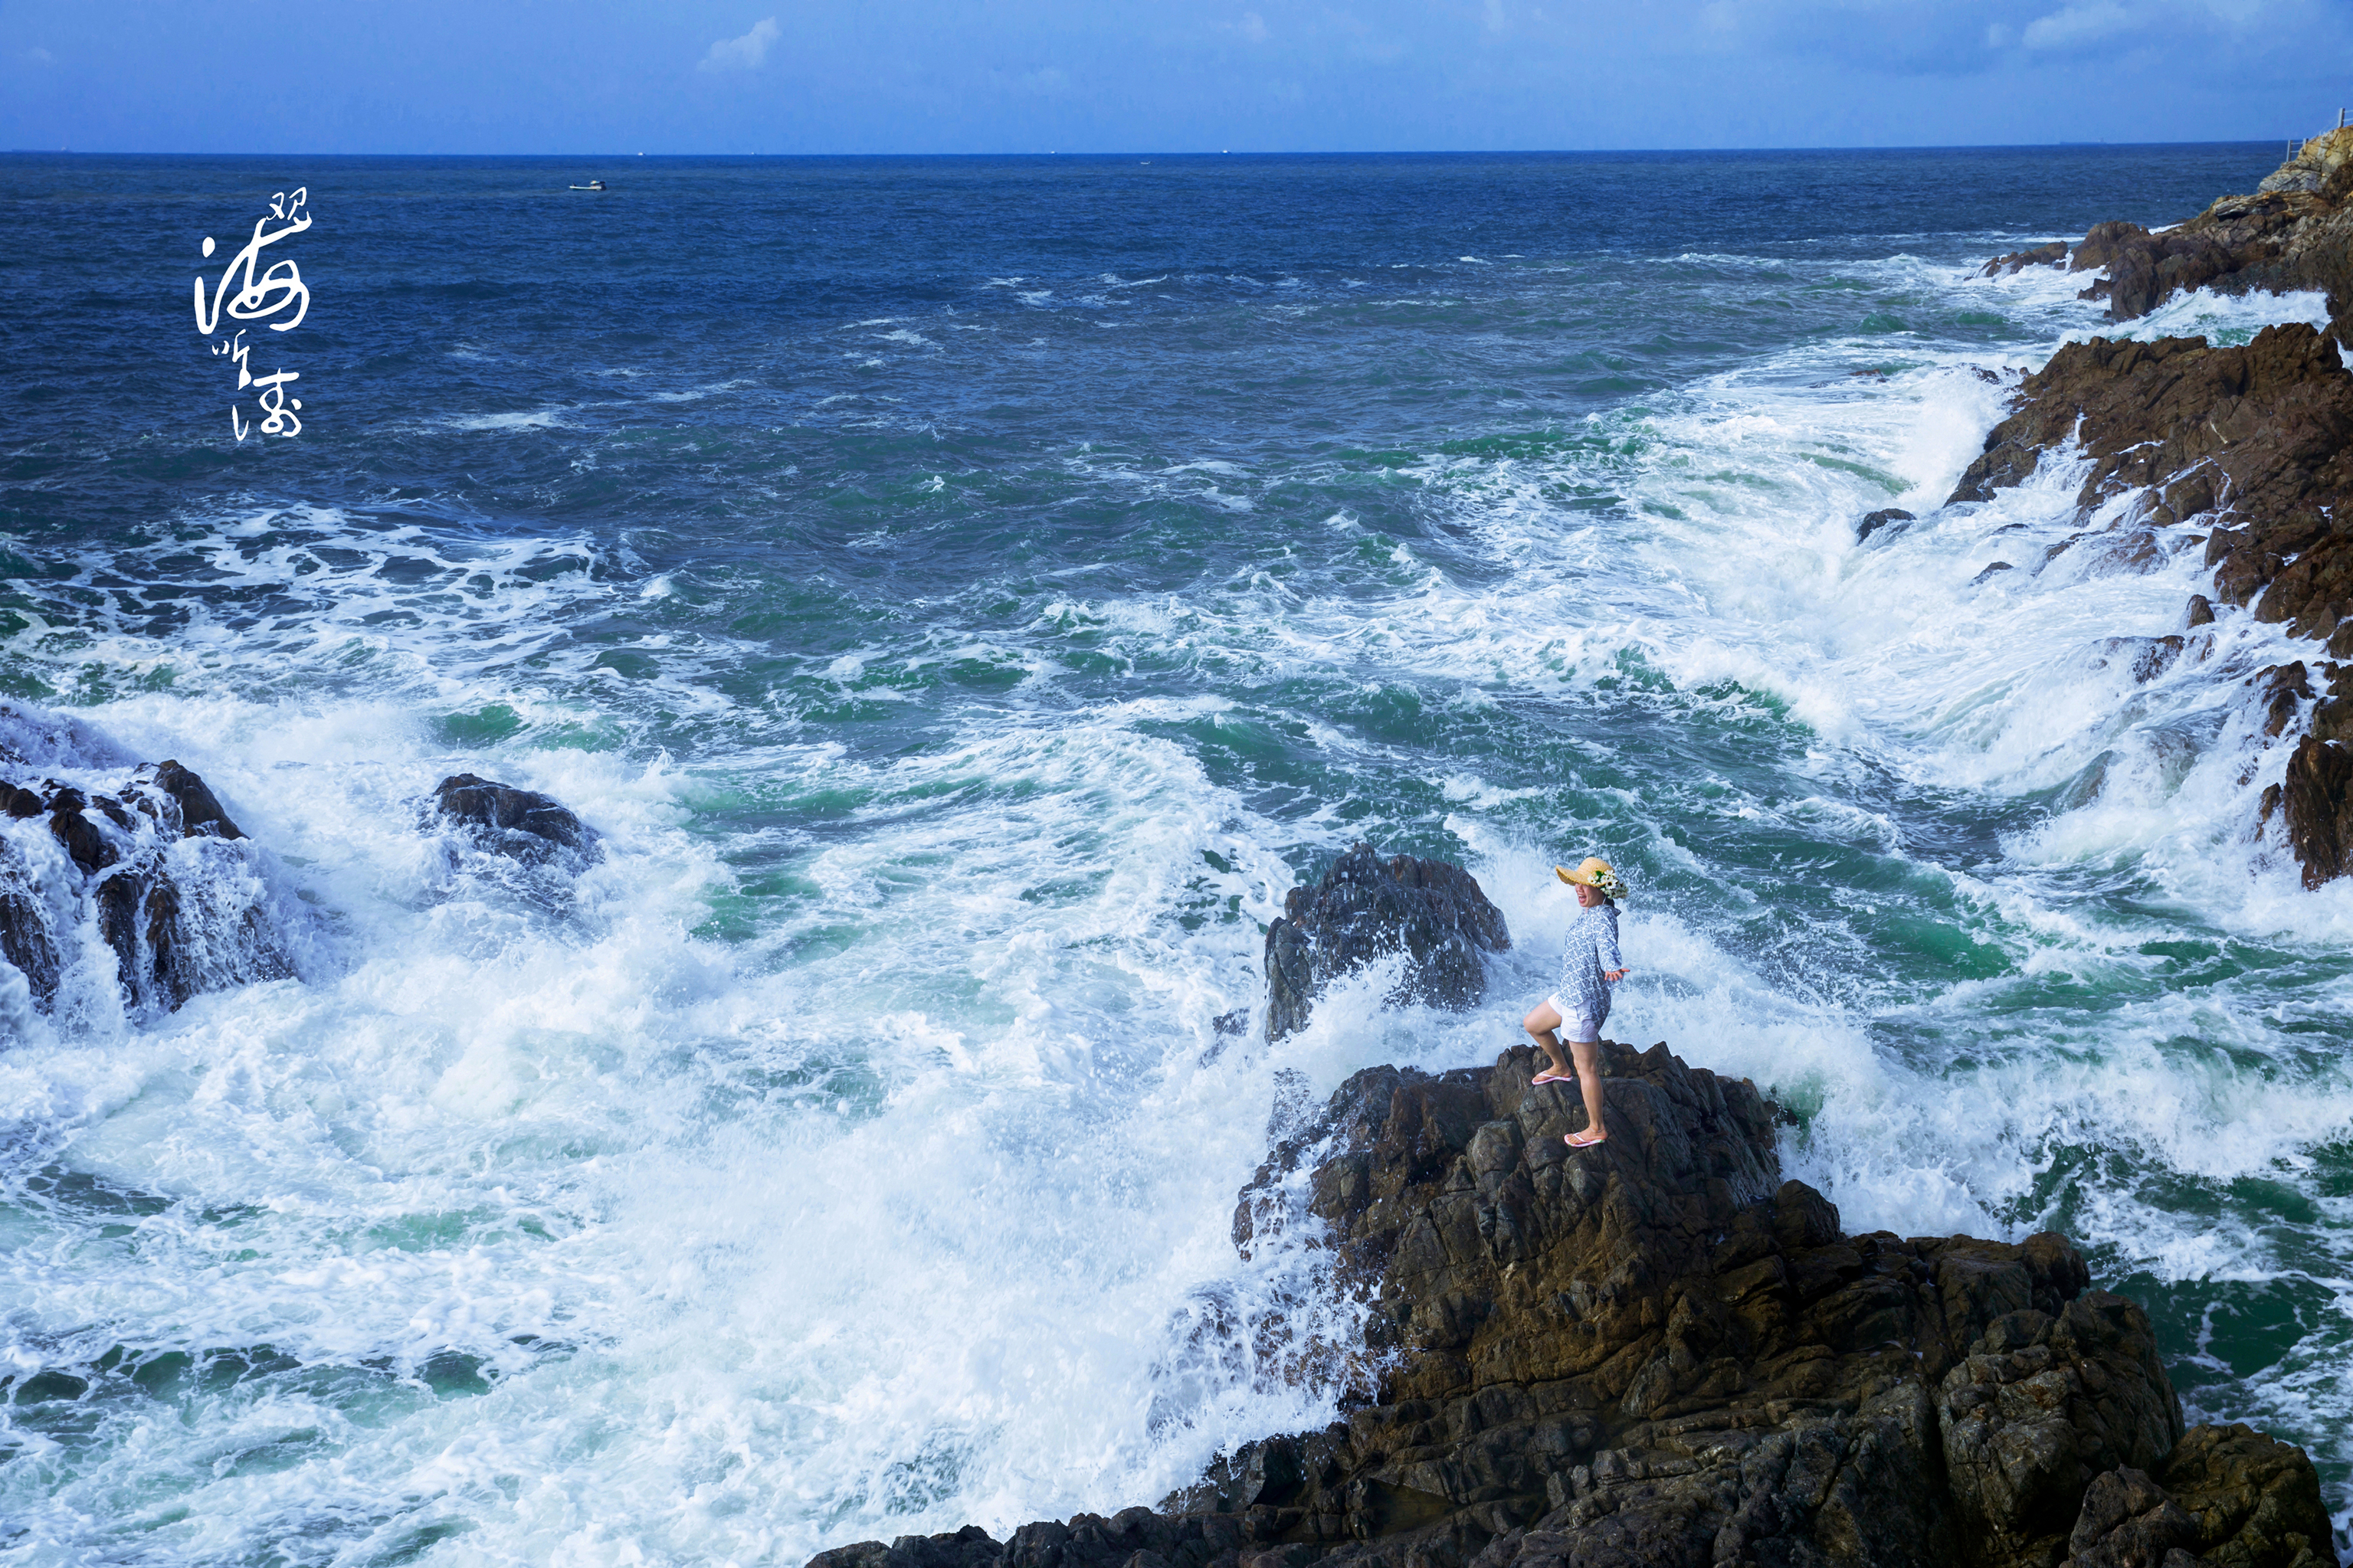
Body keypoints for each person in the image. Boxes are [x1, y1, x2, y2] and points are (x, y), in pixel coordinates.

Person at [1522, 856, 1628, 1150]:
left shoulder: (1604, 918)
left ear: (1602, 890)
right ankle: (1559, 1067)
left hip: (1583, 1002)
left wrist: (1612, 966)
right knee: (1533, 1024)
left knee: (1588, 1069)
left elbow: (1607, 945)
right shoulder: (1590, 912)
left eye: (1587, 885)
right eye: (1577, 883)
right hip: (1568, 993)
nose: (1579, 889)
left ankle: (1597, 1128)